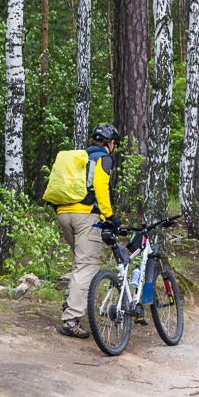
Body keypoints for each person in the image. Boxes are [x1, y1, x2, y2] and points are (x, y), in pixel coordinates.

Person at [57, 123, 119, 338]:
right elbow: (101, 188)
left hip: (64, 214)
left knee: (79, 263)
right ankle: (71, 321)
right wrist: (109, 216)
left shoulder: (81, 157)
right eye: (114, 144)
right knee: (86, 265)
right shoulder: (103, 158)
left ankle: (70, 305)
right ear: (110, 143)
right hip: (85, 217)